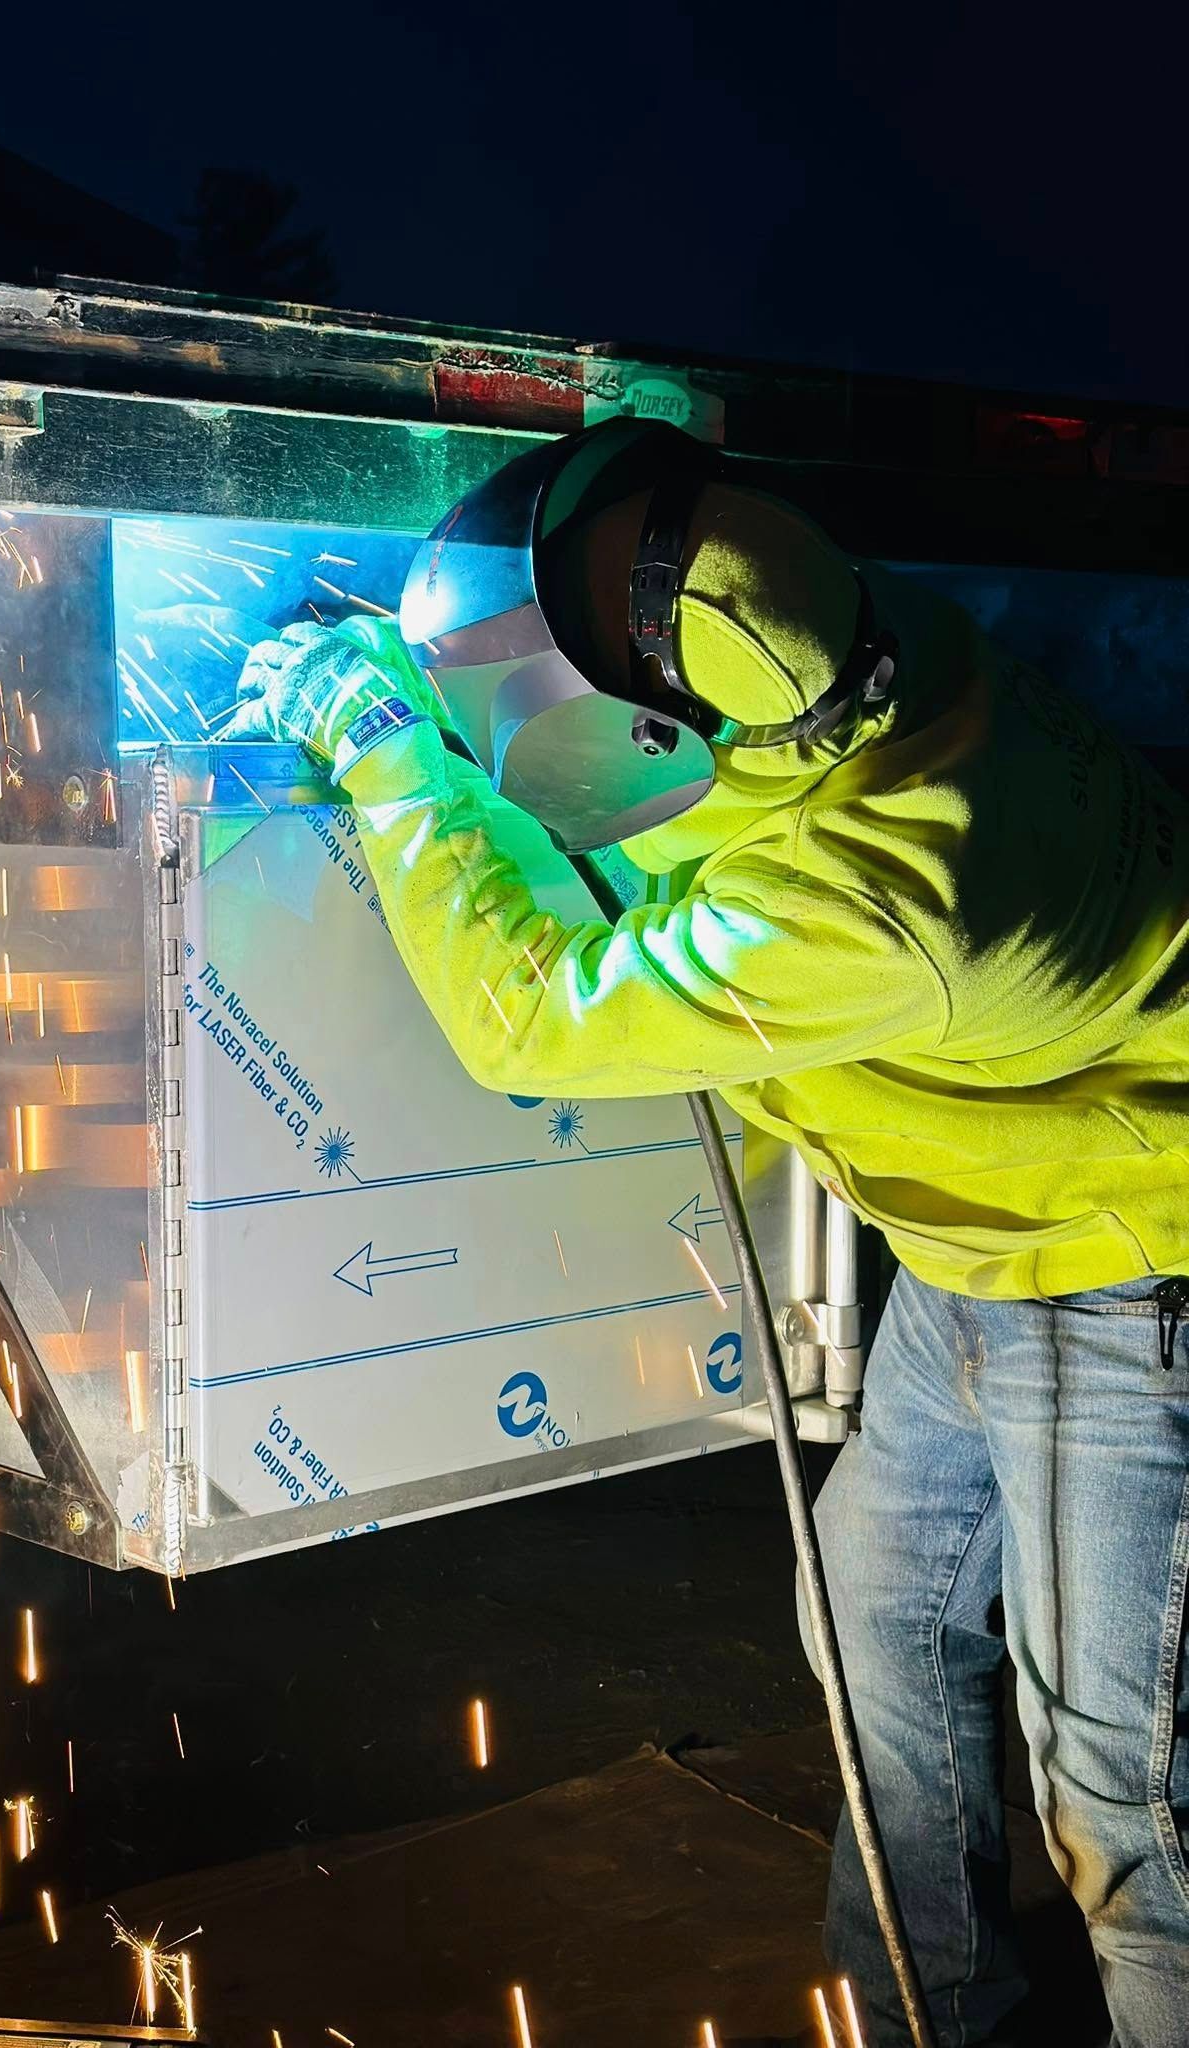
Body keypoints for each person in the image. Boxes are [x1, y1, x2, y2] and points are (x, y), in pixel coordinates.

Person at [223, 418, 1189, 2048]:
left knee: (1122, 1789)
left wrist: (398, 755)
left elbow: (534, 1020)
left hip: (1120, 1281)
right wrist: (440, 681)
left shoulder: (901, 899)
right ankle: (925, 2015)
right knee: (873, 1618)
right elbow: (657, 767)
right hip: (970, 1249)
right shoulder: (837, 646)